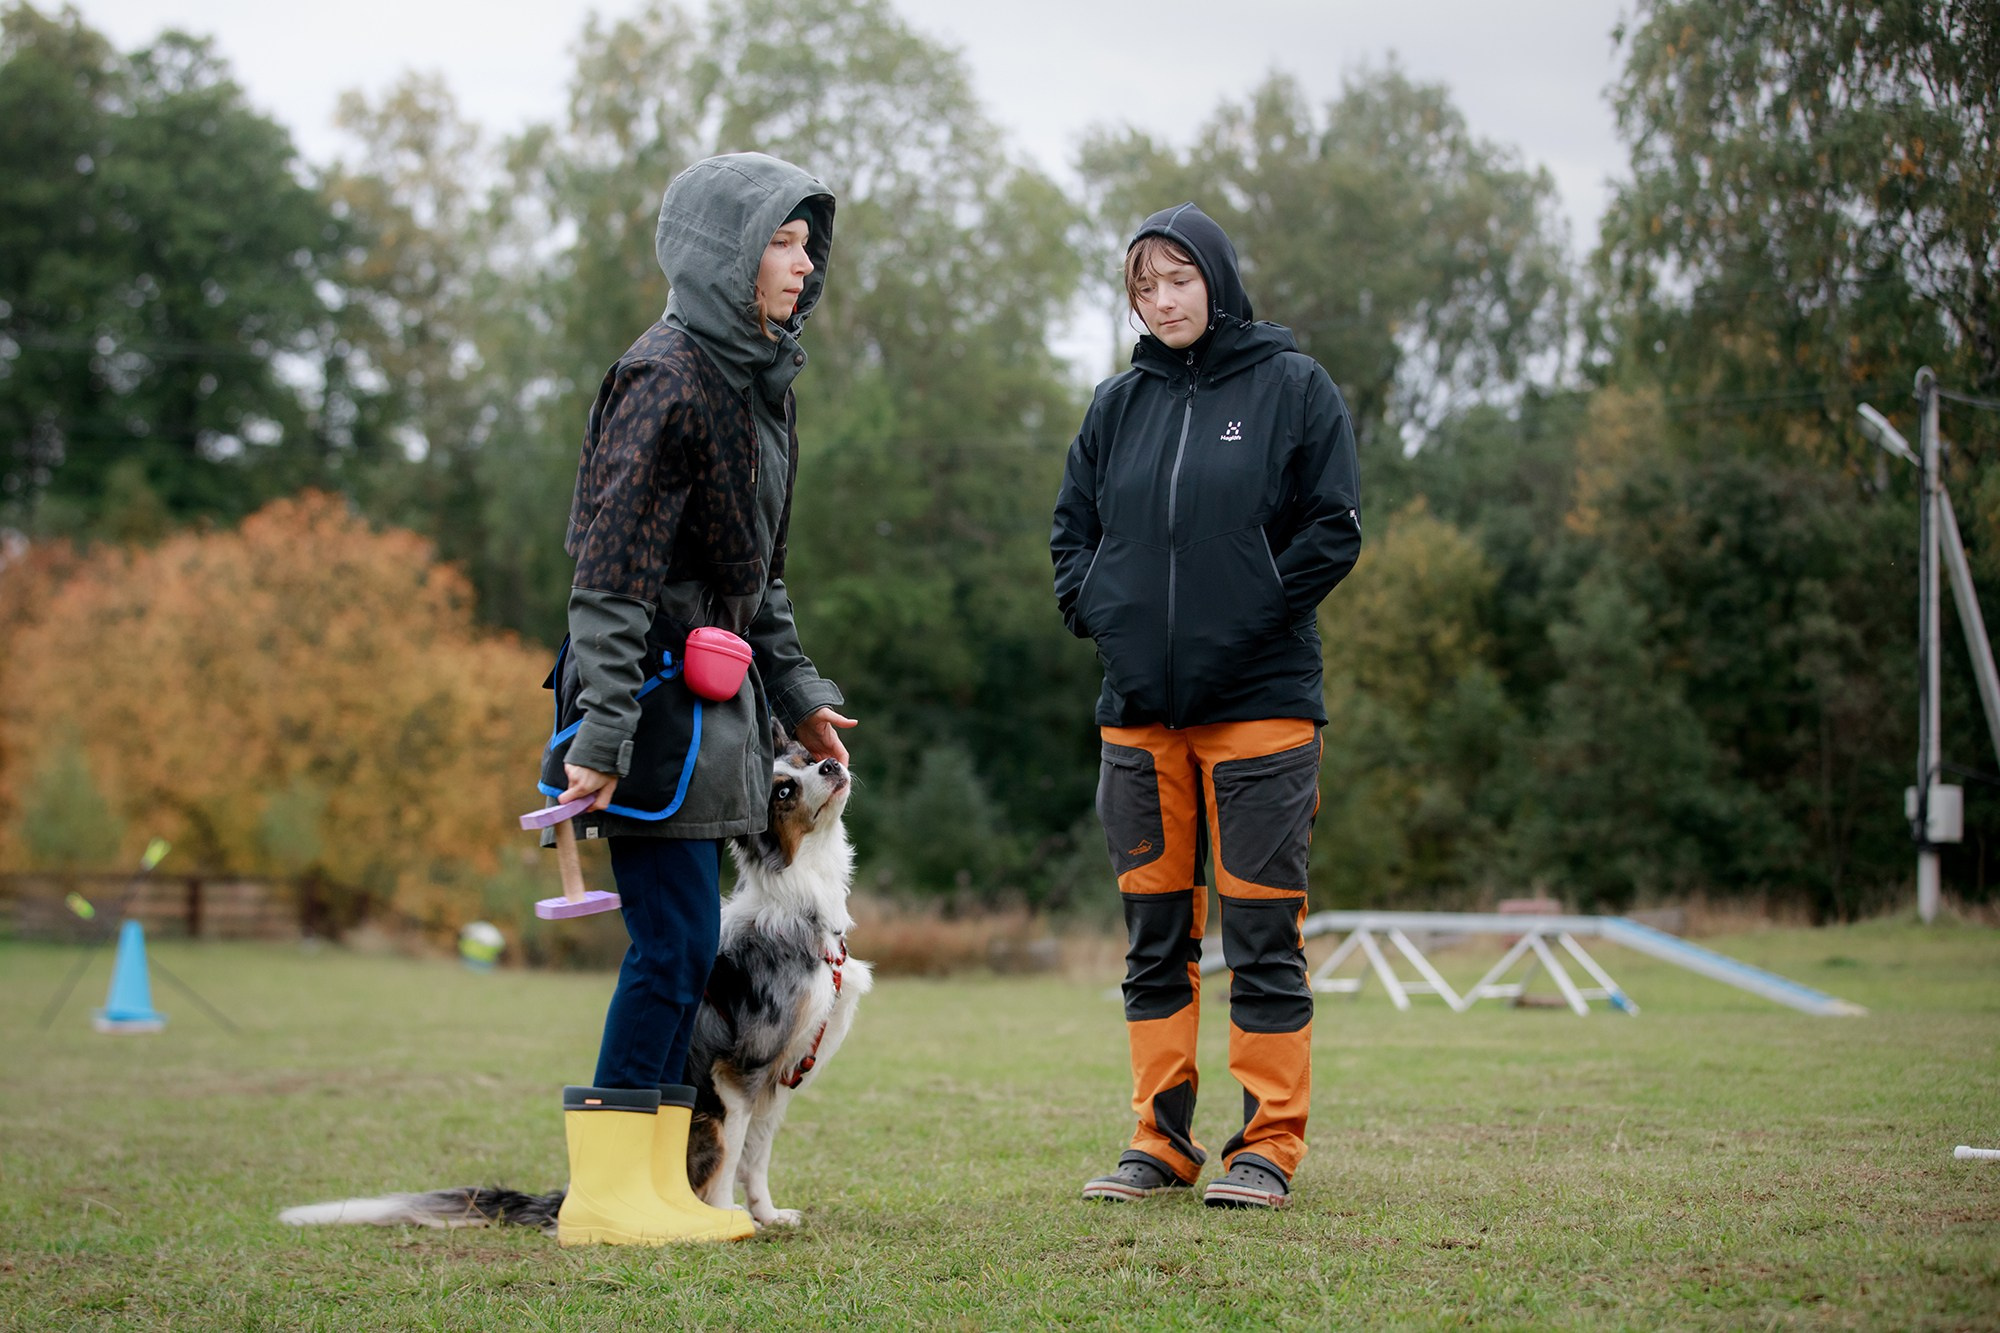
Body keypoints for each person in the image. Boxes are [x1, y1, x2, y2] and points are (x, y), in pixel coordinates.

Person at [539, 152, 856, 1246]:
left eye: (806, 242)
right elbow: (611, 574)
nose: (801, 260)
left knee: (682, 950)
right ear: (726, 254)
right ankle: (610, 1195)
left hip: (718, 711)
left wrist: (802, 693)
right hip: (644, 705)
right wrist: (603, 732)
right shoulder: (662, 375)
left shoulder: (762, 385)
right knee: (669, 945)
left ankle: (666, 1186)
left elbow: (756, 579)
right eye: (780, 239)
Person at [1051, 203, 1360, 1210]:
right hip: (1138, 716)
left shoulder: (1291, 387)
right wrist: (1101, 609)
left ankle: (1266, 1143)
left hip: (1260, 707)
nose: (1162, 300)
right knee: (1153, 936)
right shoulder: (1115, 406)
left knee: (1263, 935)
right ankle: (1159, 1138)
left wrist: (1246, 612)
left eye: (1178, 278)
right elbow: (1071, 535)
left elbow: (1332, 527)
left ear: (1216, 279)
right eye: (1143, 286)